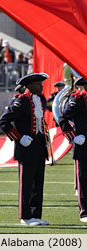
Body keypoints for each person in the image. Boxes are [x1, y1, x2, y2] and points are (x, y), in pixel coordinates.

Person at [0, 73, 49, 226]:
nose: (41, 86)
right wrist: (19, 138)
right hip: (26, 146)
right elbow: (4, 122)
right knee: (26, 183)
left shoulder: (42, 100)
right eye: (38, 84)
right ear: (29, 86)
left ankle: (36, 214)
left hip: (40, 146)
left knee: (38, 182)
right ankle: (25, 216)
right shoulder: (20, 102)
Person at [58, 77, 87, 223]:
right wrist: (73, 136)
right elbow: (63, 118)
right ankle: (84, 212)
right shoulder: (77, 99)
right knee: (83, 179)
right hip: (83, 144)